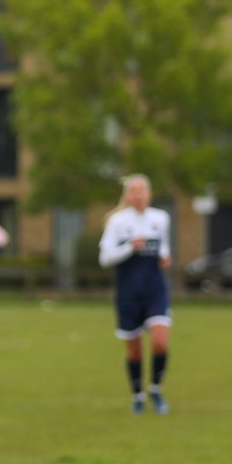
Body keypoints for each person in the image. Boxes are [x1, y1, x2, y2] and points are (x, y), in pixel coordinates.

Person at [98, 174, 172, 415]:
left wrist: (164, 257)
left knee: (160, 342)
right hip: (129, 293)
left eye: (143, 190)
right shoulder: (117, 222)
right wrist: (131, 247)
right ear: (128, 195)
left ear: (149, 194)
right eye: (134, 191)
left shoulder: (161, 219)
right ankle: (138, 394)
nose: (139, 195)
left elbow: (163, 247)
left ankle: (156, 389)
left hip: (155, 290)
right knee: (135, 349)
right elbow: (105, 258)